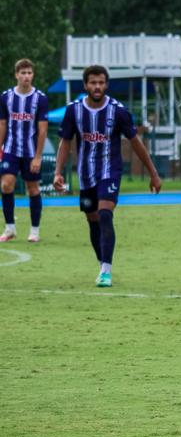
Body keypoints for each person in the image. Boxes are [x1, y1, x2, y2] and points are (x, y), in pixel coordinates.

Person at [53, 65, 162, 287]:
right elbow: (65, 142)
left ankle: (106, 270)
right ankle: (102, 262)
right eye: (93, 83)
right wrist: (58, 172)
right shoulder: (74, 111)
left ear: (106, 85)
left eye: (101, 82)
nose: (97, 86)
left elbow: (136, 143)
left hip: (109, 171)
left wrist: (153, 173)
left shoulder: (118, 111)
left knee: (104, 214)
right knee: (92, 220)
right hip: (86, 174)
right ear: (85, 85)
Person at [0, 59, 48, 243]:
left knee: (33, 189)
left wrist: (38, 157)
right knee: (6, 185)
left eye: (29, 73)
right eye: (23, 73)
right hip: (11, 150)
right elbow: (2, 124)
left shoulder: (40, 98)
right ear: (16, 75)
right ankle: (10, 228)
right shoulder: (6, 97)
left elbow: (42, 130)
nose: (26, 76)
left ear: (32, 75)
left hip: (30, 152)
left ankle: (34, 231)